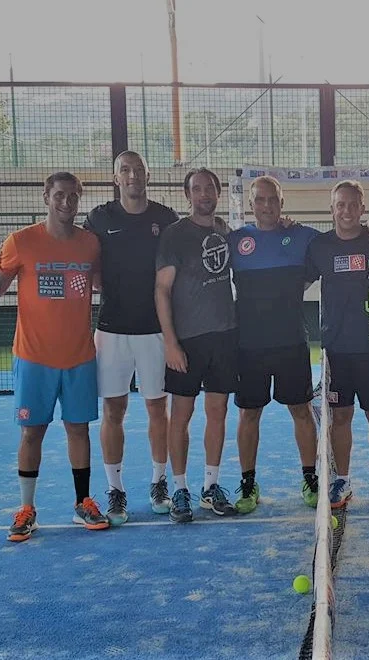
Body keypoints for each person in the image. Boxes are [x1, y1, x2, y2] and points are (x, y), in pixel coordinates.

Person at [0, 171, 106, 541]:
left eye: (74, 196)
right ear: (46, 196)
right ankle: (27, 508)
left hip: (80, 355)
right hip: (33, 357)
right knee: (32, 432)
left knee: (78, 430)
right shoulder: (21, 242)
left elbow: (104, 283)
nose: (67, 202)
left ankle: (83, 503)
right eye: (60, 195)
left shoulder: (90, 244)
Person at [84, 151, 179, 524]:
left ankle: (159, 483)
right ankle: (116, 490)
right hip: (111, 330)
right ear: (116, 178)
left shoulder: (165, 218)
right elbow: (88, 266)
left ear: (148, 175)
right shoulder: (99, 218)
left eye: (138, 170)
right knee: (114, 410)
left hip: (156, 330)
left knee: (158, 408)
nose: (133, 175)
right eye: (125, 170)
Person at [228, 176, 321, 513]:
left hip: (291, 342)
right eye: (260, 200)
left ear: (282, 203)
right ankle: (248, 483)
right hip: (249, 345)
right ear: (251, 204)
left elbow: (342, 242)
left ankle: (310, 478)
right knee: (248, 413)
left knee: (301, 410)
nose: (267, 206)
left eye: (273, 200)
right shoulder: (234, 240)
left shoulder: (303, 237)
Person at [305, 180, 369, 511]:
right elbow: (299, 279)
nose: (346, 210)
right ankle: (341, 480)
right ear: (332, 209)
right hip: (336, 350)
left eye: (352, 204)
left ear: (363, 208)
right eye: (339, 204)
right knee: (340, 417)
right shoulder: (319, 246)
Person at [155, 168, 238, 522]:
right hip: (187, 341)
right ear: (187, 194)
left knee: (217, 412)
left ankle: (210, 486)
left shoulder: (225, 231)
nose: (204, 194)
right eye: (197, 189)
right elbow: (162, 290)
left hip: (225, 336)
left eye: (210, 188)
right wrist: (171, 343)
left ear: (218, 193)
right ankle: (179, 489)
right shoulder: (175, 235)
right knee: (182, 416)